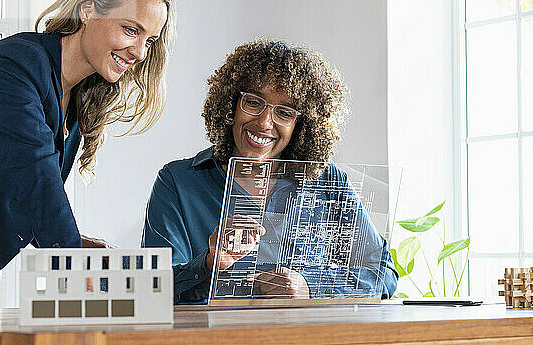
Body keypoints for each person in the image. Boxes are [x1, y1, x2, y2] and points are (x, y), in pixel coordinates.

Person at [142, 39, 398, 304]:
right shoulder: (179, 181)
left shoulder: (328, 180)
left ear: (301, 125)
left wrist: (309, 287)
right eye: (253, 102)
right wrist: (209, 263)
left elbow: (383, 274)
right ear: (231, 105)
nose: (264, 123)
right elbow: (150, 289)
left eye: (285, 113)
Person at [0, 0, 176, 282]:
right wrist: (74, 257)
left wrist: (80, 246)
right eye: (131, 30)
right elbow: (36, 181)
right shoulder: (15, 64)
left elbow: (19, 191)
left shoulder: (76, 102)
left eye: (149, 40)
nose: (140, 53)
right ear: (88, 11)